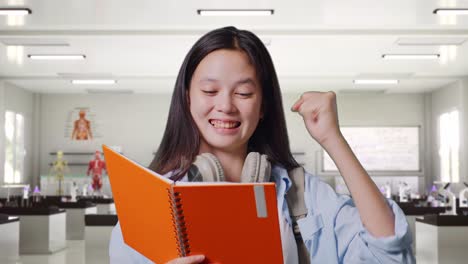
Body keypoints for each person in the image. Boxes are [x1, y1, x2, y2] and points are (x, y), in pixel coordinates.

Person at [109, 26, 415, 263]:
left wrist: (332, 140)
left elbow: (388, 251)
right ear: (188, 98)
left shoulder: (305, 196)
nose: (226, 106)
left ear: (264, 105)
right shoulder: (149, 205)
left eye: (243, 93)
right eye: (210, 90)